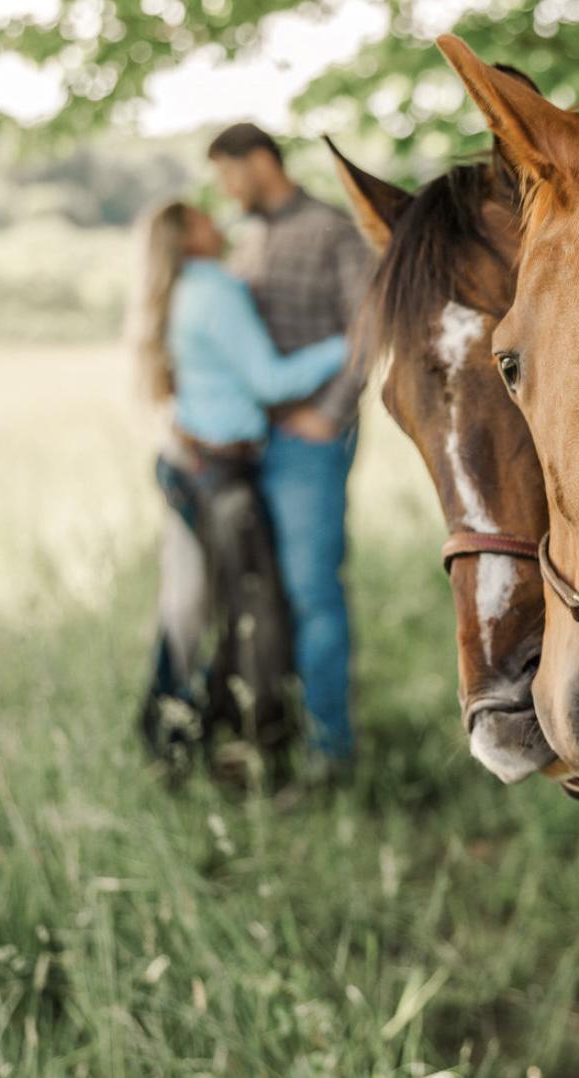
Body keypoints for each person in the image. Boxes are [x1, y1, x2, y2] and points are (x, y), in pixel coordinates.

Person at [129, 200, 349, 776]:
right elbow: (269, 380)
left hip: (189, 464)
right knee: (242, 606)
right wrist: (349, 344)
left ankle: (173, 731)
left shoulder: (179, 290)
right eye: (204, 219)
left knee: (191, 603)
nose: (217, 222)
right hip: (220, 474)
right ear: (186, 239)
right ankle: (232, 734)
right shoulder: (214, 290)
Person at [207, 123, 370, 770]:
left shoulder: (332, 229)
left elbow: (371, 322)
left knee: (312, 592)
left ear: (259, 162)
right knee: (259, 595)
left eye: (228, 172)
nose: (225, 188)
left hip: (308, 448)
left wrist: (330, 416)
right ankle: (268, 726)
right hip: (244, 446)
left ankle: (330, 748)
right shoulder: (243, 240)